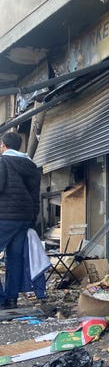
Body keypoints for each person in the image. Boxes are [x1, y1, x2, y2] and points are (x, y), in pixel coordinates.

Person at [0, 131, 42, 309]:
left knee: (13, 258)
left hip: (5, 216)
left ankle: (1, 299)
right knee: (15, 258)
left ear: (3, 145)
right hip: (24, 218)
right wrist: (32, 219)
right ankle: (11, 299)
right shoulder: (30, 165)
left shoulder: (2, 161)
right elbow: (35, 195)